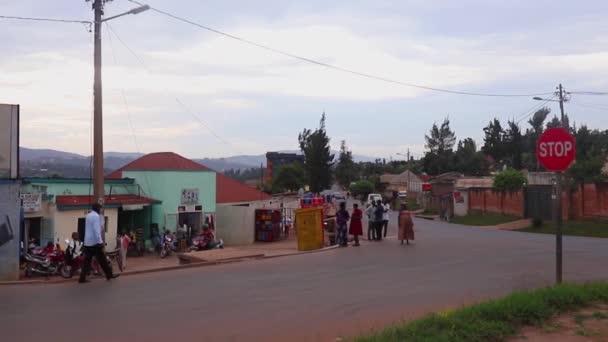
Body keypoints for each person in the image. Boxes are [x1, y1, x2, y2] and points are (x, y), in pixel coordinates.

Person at [79, 203, 118, 283]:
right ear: (97, 209)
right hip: (95, 242)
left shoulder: (88, 215)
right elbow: (96, 231)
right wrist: (100, 242)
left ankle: (82, 278)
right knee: (102, 260)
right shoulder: (96, 216)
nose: (101, 210)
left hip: (88, 242)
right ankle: (109, 275)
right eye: (100, 209)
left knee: (87, 261)